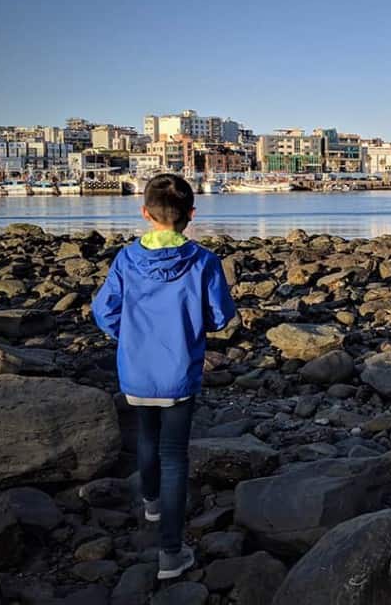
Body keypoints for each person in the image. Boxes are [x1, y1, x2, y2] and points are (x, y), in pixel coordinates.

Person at [92, 173, 235, 580]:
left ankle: (152, 504)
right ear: (191, 215)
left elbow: (104, 312)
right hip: (178, 372)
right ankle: (171, 553)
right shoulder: (204, 261)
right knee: (174, 455)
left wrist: (128, 334)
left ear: (144, 213)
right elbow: (221, 316)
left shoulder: (125, 259)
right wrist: (194, 324)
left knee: (146, 437)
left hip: (137, 369)